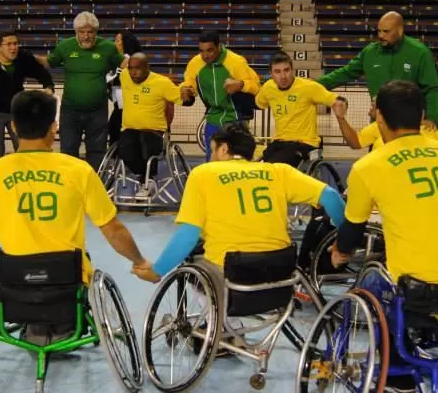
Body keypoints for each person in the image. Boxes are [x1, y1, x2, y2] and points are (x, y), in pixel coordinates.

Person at [0, 90, 157, 343]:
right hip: (67, 281)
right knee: (83, 263)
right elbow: (114, 231)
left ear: (14, 127)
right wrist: (140, 261)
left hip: (15, 282)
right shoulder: (79, 171)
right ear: (53, 128)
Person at [329, 81, 438, 393]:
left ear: (379, 118)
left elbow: (352, 230)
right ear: (422, 116)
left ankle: (399, 375)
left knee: (369, 281)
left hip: (413, 288)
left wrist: (340, 251)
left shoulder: (368, 167)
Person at [135, 124, 346, 320]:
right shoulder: (279, 171)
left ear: (224, 149)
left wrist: (157, 270)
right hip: (280, 271)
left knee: (193, 258)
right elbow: (331, 196)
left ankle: (221, 326)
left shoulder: (203, 174)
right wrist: (341, 242)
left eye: (212, 150)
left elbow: (188, 235)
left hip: (233, 274)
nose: (211, 157)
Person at [317, 12, 438, 127]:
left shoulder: (420, 52)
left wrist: (432, 118)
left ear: (400, 30)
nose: (381, 35)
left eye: (386, 31)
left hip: (409, 126)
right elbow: (346, 72)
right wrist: (314, 84)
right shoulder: (370, 52)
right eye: (379, 31)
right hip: (378, 125)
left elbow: (432, 88)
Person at [47, 12, 123, 169]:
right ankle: (69, 180)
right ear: (76, 31)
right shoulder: (64, 46)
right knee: (68, 149)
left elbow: (126, 65)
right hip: (70, 110)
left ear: (96, 31)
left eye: (90, 32)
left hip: (98, 110)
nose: (86, 36)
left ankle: (94, 180)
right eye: (82, 32)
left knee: (97, 151)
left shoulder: (108, 47)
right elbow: (48, 62)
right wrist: (26, 58)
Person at [0, 28, 54, 161]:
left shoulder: (23, 58)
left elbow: (40, 71)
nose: (13, 48)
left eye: (15, 43)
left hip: (17, 110)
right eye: (8, 44)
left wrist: (48, 86)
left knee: (24, 149)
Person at [180, 31, 261, 160]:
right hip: (213, 117)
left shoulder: (236, 62)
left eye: (210, 50)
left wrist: (241, 84)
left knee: (235, 159)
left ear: (219, 46)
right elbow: (188, 84)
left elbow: (256, 87)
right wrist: (185, 89)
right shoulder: (195, 64)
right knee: (212, 158)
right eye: (202, 51)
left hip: (236, 118)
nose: (205, 55)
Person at [256, 51, 338, 167]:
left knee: (274, 167)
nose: (283, 76)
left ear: (292, 70)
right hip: (279, 142)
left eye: (286, 70)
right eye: (277, 72)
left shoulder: (308, 87)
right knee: (257, 167)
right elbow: (259, 103)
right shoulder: (268, 87)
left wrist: (340, 106)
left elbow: (336, 100)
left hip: (304, 143)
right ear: (271, 74)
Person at [117, 52, 181, 196]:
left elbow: (183, 99)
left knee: (146, 142)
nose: (133, 72)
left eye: (137, 68)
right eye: (131, 68)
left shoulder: (162, 82)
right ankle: (143, 177)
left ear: (147, 67)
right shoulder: (125, 76)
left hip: (154, 131)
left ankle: (148, 179)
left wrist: (188, 93)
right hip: (130, 129)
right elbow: (119, 61)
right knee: (125, 149)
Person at [332, 96, 438, 151]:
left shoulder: (429, 131)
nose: (370, 109)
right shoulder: (377, 126)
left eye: (373, 105)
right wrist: (341, 119)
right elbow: (356, 142)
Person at [108, 30, 142, 146]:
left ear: (125, 43)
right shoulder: (115, 61)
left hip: (130, 109)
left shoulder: (133, 61)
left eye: (117, 41)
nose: (114, 43)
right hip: (119, 107)